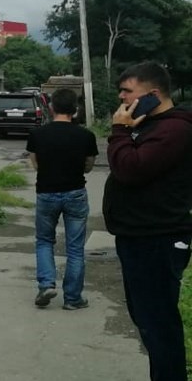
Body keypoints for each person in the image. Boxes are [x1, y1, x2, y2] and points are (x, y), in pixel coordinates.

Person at [103, 62, 192, 381]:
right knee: (149, 322)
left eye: (128, 91)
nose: (121, 98)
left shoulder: (174, 129)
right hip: (139, 237)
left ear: (154, 94)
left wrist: (120, 131)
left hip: (157, 239)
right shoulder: (150, 124)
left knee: (158, 325)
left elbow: (130, 170)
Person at [26, 88, 98, 309]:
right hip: (76, 193)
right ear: (75, 110)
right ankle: (73, 298)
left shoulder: (38, 134)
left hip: (46, 193)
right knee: (75, 248)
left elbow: (35, 162)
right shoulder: (86, 136)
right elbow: (88, 166)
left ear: (51, 107)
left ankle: (47, 283)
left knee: (45, 241)